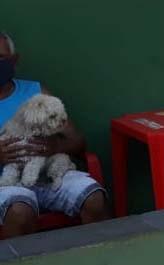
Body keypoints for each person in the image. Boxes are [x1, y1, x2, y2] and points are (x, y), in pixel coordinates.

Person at [0, 32, 109, 238]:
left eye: (1, 57)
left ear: (15, 60)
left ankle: (102, 256)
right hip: (5, 185)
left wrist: (55, 147)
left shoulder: (36, 92)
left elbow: (78, 141)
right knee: (20, 212)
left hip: (49, 175)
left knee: (94, 198)